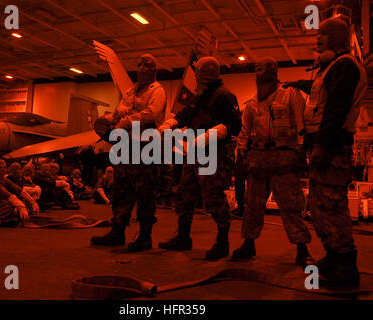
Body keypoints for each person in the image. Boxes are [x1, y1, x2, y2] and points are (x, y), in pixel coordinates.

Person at [285, 17, 367, 287]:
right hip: (324, 145)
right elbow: (321, 94)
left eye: (323, 34)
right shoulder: (331, 67)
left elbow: (335, 109)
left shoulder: (345, 66)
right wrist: (298, 83)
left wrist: (322, 145)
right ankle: (334, 257)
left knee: (331, 206)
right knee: (321, 206)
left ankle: (346, 266)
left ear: (337, 38)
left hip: (332, 147)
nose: (317, 38)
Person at [231, 57, 314, 267]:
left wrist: (302, 152)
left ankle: (302, 248)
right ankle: (249, 244)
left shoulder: (291, 95)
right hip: (258, 159)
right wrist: (241, 155)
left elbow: (302, 125)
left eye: (266, 66)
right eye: (257, 67)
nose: (260, 70)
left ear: (275, 71)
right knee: (253, 205)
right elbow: (244, 133)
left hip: (284, 156)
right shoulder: (251, 104)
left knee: (291, 205)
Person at [157, 56, 242, 260]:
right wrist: (170, 123)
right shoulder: (199, 98)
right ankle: (183, 237)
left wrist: (211, 135)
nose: (194, 74)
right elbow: (184, 115)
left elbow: (234, 125)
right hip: (194, 153)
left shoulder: (224, 96)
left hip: (214, 153)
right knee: (185, 194)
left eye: (197, 71)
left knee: (213, 196)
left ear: (203, 73)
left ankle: (222, 242)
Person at [90, 53, 167, 252]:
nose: (140, 67)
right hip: (125, 146)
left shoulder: (157, 91)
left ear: (153, 70)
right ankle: (117, 231)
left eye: (145, 64)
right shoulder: (131, 91)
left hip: (145, 147)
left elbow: (151, 114)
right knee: (120, 190)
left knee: (145, 192)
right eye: (139, 63)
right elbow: (118, 110)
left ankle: (144, 236)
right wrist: (108, 119)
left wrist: (124, 121)